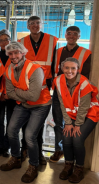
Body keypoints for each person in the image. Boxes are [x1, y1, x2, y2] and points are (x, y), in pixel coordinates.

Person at [0, 42, 52, 184]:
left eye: (17, 52)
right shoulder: (9, 69)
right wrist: (21, 94)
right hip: (23, 104)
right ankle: (16, 158)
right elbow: (9, 93)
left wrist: (16, 92)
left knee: (29, 136)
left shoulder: (35, 69)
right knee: (11, 131)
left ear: (23, 53)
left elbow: (34, 96)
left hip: (40, 105)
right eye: (10, 54)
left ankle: (33, 165)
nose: (13, 56)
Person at [53, 57, 99, 183]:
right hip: (73, 114)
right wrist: (68, 123)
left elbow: (84, 106)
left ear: (78, 70)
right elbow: (62, 103)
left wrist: (78, 125)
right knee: (66, 136)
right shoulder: (58, 81)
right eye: (66, 68)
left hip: (90, 113)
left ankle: (79, 168)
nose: (69, 71)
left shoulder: (84, 83)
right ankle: (68, 165)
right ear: (62, 69)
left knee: (77, 138)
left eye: (73, 68)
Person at [18, 16, 58, 165]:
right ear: (28, 26)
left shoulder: (51, 40)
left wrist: (52, 84)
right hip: (26, 87)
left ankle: (39, 153)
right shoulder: (22, 42)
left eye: (37, 23)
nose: (35, 25)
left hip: (43, 88)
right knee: (24, 123)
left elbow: (55, 63)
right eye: (32, 23)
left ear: (42, 25)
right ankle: (24, 150)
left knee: (38, 125)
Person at [50, 26, 92, 163]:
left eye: (75, 34)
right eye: (69, 33)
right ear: (65, 35)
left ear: (79, 36)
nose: (72, 36)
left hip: (75, 95)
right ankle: (59, 149)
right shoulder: (58, 51)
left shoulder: (85, 53)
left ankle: (72, 154)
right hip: (59, 92)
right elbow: (54, 70)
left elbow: (84, 75)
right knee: (58, 123)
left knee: (73, 124)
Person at [0, 29, 16, 158]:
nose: (3, 42)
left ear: (10, 40)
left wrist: (10, 93)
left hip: (12, 95)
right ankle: (0, 147)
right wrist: (0, 94)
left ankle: (7, 147)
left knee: (11, 122)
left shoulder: (14, 55)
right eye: (1, 40)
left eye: (6, 39)